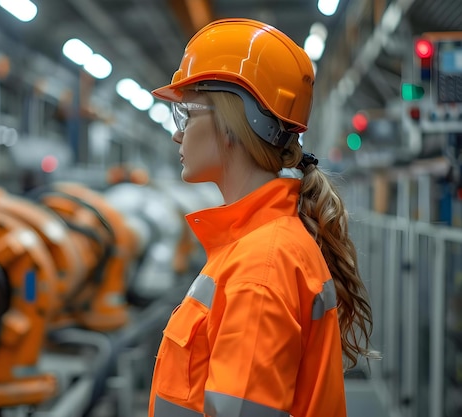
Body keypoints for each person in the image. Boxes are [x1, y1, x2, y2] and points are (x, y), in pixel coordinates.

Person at [147, 18, 377, 417]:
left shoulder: (261, 266)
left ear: (236, 123)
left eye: (186, 114)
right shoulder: (254, 247)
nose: (177, 135)